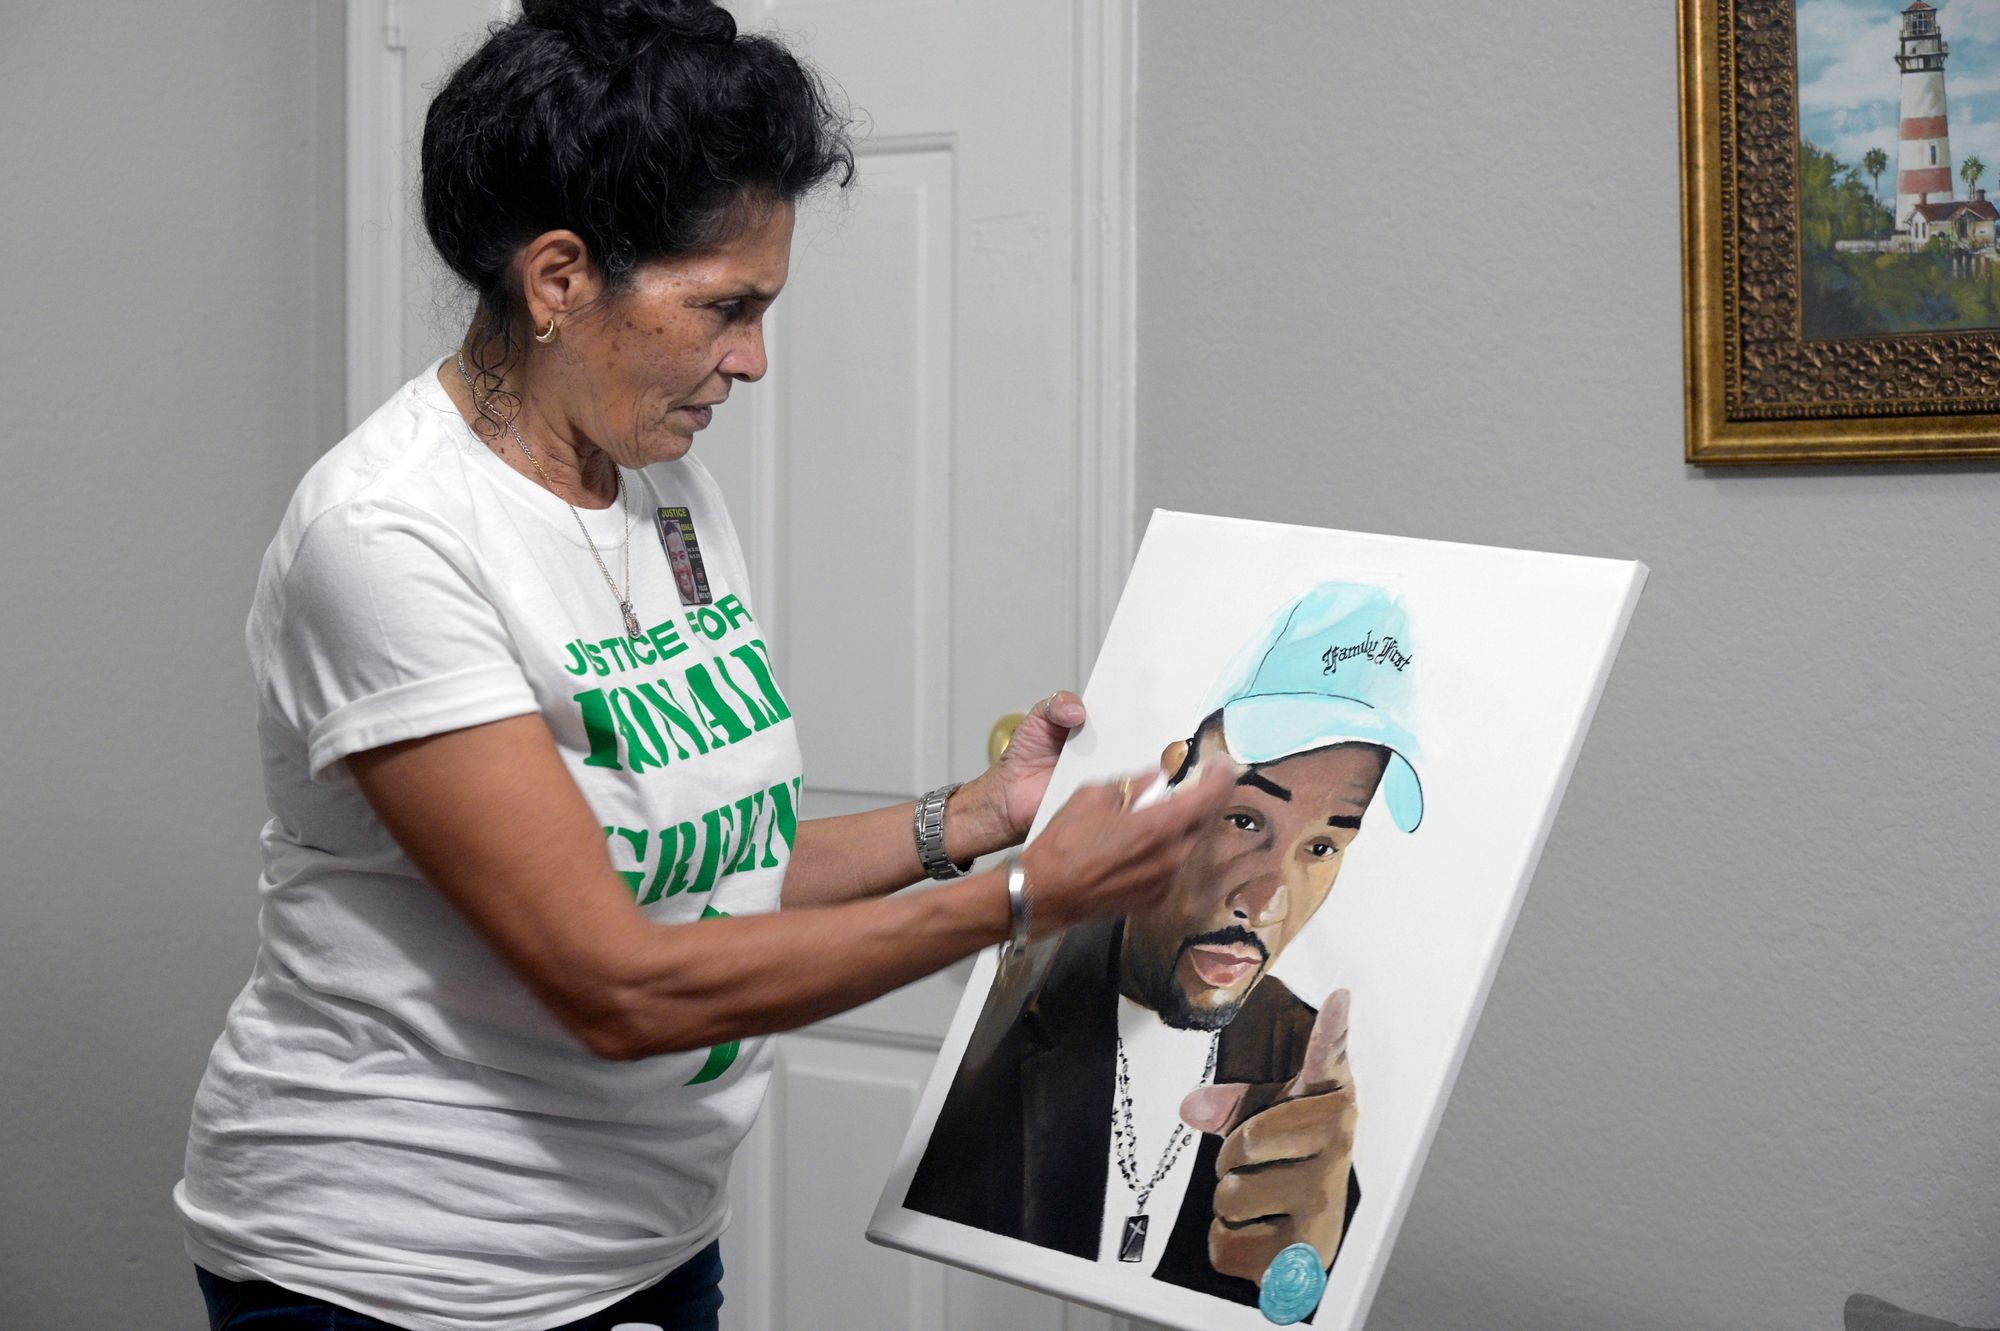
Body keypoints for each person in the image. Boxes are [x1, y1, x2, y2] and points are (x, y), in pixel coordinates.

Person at [170, 4, 1231, 1329]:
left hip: (645, 1241)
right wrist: (1022, 896)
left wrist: (968, 823)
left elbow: (711, 860)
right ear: (559, 280)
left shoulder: (661, 488)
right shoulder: (387, 539)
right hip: (404, 1270)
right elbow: (617, 983)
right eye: (726, 306)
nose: (755, 358)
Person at [905, 581, 1425, 1321]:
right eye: (1245, 818)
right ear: (1172, 773)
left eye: (1320, 845)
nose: (1267, 898)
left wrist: (1301, 1269)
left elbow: (1286, 1302)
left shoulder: (1305, 1070)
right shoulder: (1021, 990)